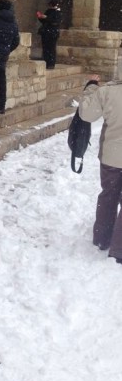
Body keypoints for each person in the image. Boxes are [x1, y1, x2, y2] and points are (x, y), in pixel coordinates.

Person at [78, 74, 122, 261]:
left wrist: (90, 87)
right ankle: (119, 250)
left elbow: (86, 114)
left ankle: (102, 238)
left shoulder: (108, 91)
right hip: (111, 155)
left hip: (112, 156)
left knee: (108, 195)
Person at [37, 0, 62, 70]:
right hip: (45, 32)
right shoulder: (48, 11)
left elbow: (56, 22)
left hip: (53, 32)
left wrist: (47, 18)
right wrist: (40, 17)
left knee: (51, 48)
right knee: (45, 48)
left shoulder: (58, 12)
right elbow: (44, 22)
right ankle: (45, 62)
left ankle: (51, 63)